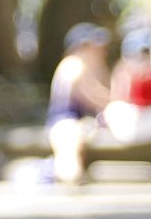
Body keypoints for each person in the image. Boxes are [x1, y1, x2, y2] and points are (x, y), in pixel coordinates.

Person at [46, 24, 114, 187]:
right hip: (66, 123)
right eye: (96, 46)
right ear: (84, 46)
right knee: (69, 155)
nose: (101, 51)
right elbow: (93, 98)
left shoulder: (85, 66)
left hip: (75, 123)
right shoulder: (75, 65)